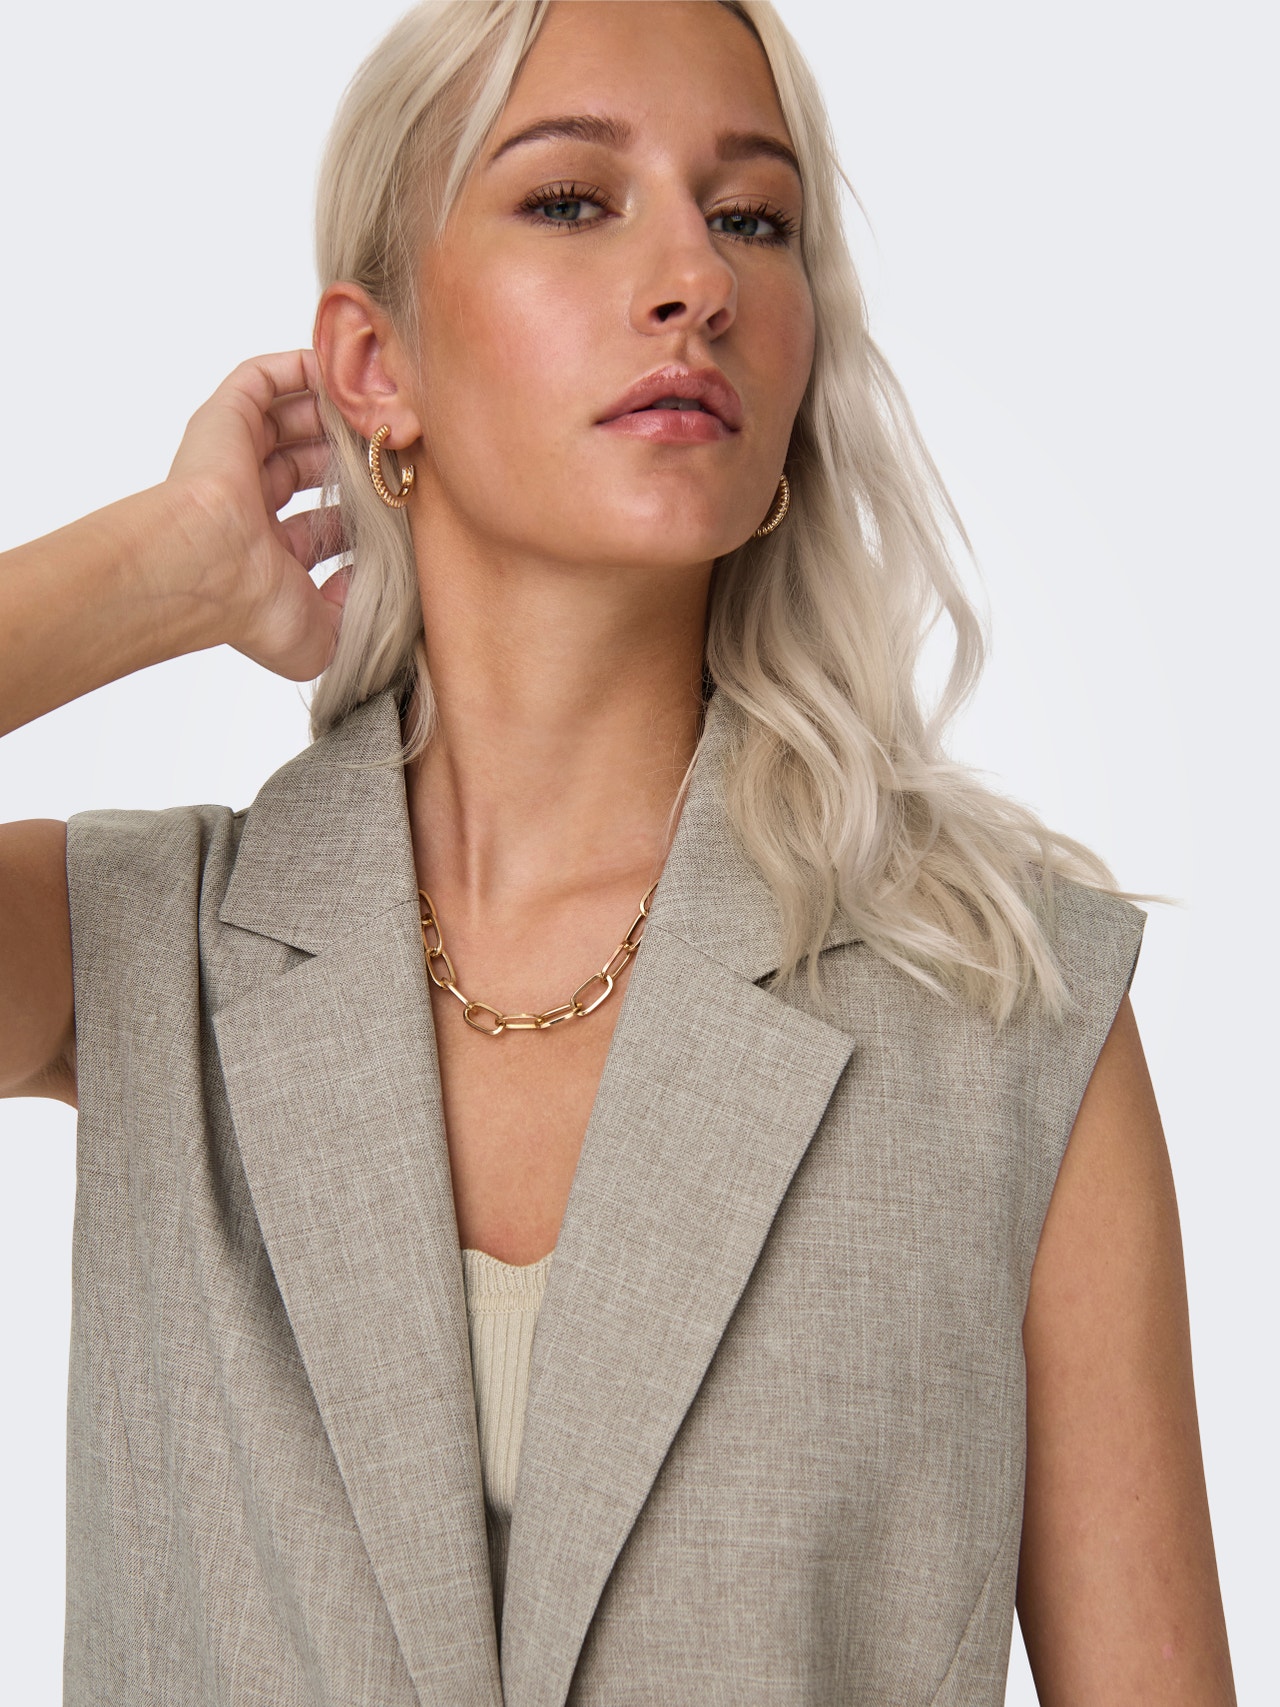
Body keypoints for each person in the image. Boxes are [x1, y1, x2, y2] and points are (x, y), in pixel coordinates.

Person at [0, 1, 1237, 1702]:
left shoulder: (1006, 1011)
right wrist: (173, 559)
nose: (696, 281)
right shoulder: (143, 955)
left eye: (754, 218)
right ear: (376, 368)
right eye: (573, 200)